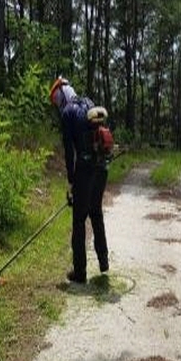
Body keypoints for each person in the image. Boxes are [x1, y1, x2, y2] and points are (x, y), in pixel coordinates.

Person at [49, 77, 110, 284]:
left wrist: (71, 179)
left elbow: (69, 150)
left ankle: (80, 273)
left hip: (86, 169)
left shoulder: (68, 113)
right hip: (102, 167)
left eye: (57, 101)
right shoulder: (89, 103)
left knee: (78, 220)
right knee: (96, 213)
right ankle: (103, 262)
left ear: (61, 97)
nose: (58, 106)